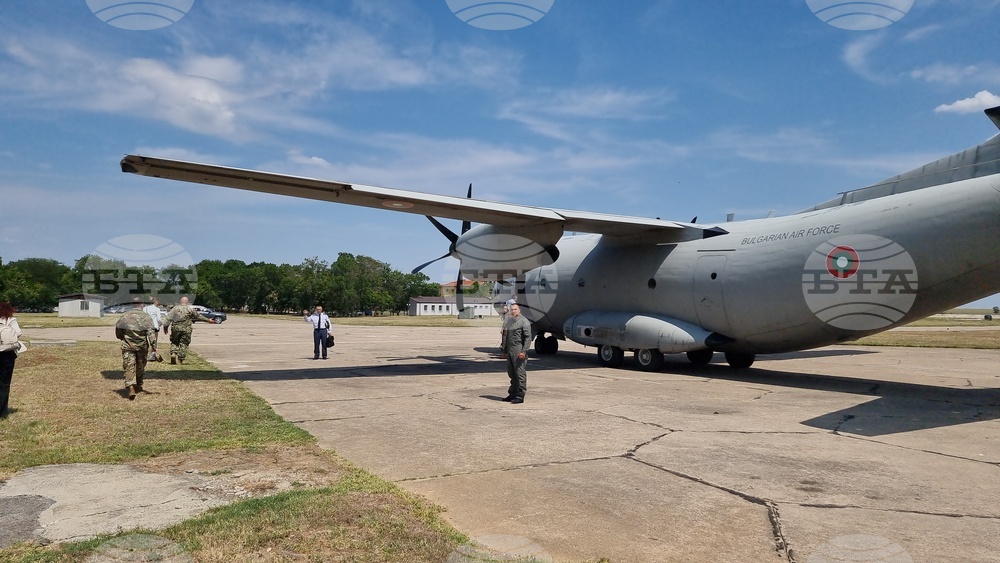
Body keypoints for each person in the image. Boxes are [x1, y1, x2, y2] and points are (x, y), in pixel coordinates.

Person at [115, 299, 156, 400]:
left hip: (128, 346)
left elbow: (118, 331)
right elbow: (150, 333)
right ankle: (138, 384)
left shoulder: (124, 316)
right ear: (142, 304)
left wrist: (123, 338)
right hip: (142, 346)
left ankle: (131, 387)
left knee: (129, 366)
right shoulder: (146, 317)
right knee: (140, 366)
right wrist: (154, 346)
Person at [161, 296, 216, 364]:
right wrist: (208, 320)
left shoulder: (175, 309)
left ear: (180, 302)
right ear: (187, 302)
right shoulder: (190, 309)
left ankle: (173, 353)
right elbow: (198, 316)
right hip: (186, 329)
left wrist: (165, 327)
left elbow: (168, 318)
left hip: (176, 328)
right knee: (184, 343)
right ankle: (180, 359)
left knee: (174, 341)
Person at [501, 302, 531, 404]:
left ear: (519, 310)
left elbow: (528, 338)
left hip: (518, 349)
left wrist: (524, 351)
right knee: (511, 373)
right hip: (510, 349)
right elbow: (506, 336)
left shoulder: (524, 321)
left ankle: (520, 395)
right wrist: (504, 351)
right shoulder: (509, 321)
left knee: (520, 373)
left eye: (515, 309)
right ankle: (512, 393)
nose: (513, 311)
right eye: (512, 309)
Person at [0, 301, 23, 418]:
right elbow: (18, 332)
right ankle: (2, 412)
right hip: (7, 354)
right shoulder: (11, 320)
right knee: (4, 383)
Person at [142, 296, 164, 362]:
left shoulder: (145, 308)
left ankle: (145, 354)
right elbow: (159, 319)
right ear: (156, 301)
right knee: (154, 341)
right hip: (154, 326)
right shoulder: (157, 309)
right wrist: (160, 324)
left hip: (146, 326)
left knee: (146, 341)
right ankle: (152, 355)